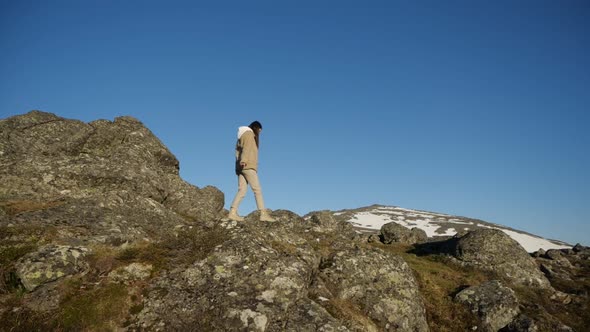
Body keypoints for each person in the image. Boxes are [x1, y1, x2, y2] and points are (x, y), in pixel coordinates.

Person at [228, 121, 276, 222]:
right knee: (257, 189)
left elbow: (237, 152)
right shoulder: (249, 134)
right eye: (259, 130)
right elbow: (247, 148)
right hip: (247, 165)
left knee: (242, 190)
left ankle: (232, 212)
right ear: (255, 128)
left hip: (241, 167)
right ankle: (263, 214)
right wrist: (244, 161)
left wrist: (238, 166)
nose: (259, 133)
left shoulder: (241, 136)